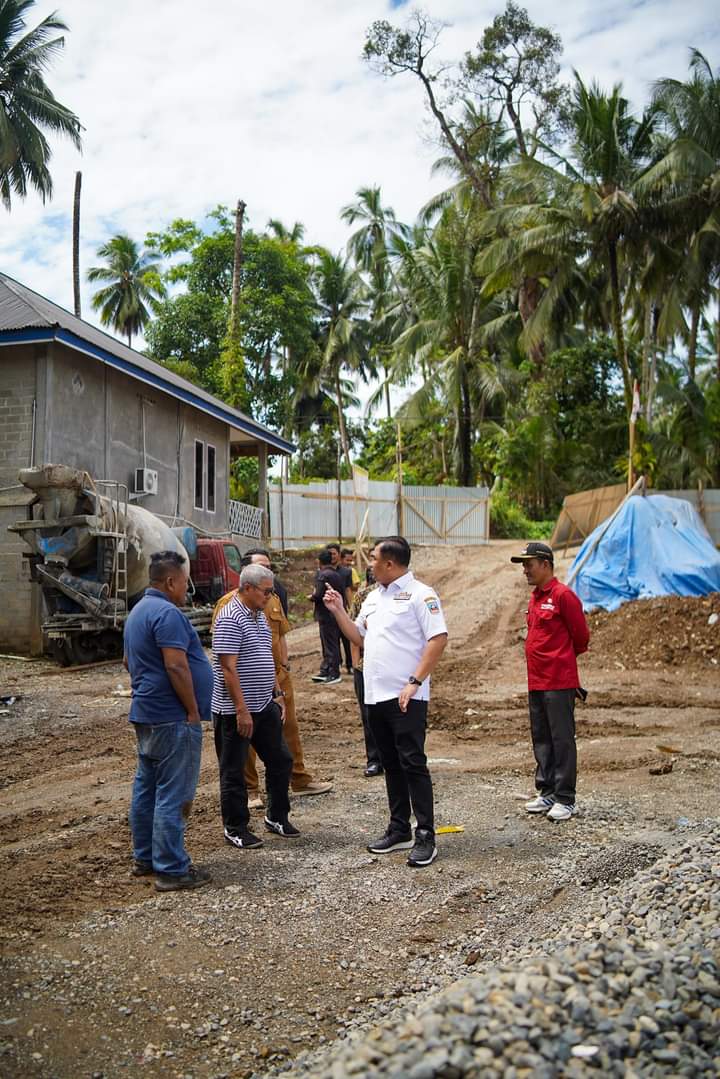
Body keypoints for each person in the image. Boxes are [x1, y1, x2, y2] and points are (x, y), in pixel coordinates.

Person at [324, 536, 448, 868]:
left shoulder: (422, 595)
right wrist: (337, 610)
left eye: (374, 559)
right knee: (391, 764)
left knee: (413, 764)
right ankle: (399, 829)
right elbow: (359, 637)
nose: (369, 565)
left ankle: (425, 834)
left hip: (407, 695)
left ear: (390, 563)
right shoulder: (375, 598)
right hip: (375, 696)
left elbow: (438, 639)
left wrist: (415, 681)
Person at [213, 549, 333, 805]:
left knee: (287, 732)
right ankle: (251, 790)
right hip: (245, 687)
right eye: (263, 568)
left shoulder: (273, 599)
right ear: (247, 583)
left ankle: (298, 779)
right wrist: (240, 706)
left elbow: (279, 636)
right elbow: (226, 663)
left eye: (270, 568)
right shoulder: (228, 607)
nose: (271, 576)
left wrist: (284, 669)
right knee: (244, 742)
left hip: (275, 678)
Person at [123, 550, 212, 892]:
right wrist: (191, 710)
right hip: (172, 717)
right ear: (172, 581)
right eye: (185, 583)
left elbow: (128, 663)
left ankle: (145, 857)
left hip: (146, 713)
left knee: (146, 789)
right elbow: (177, 665)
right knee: (173, 793)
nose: (186, 590)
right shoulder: (167, 613)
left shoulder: (137, 613)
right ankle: (171, 868)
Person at [212, 563, 298, 844]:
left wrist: (276, 694)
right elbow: (227, 669)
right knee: (234, 769)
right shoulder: (230, 618)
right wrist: (241, 709)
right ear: (247, 588)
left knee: (281, 760)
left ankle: (276, 816)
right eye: (266, 591)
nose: (270, 597)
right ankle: (235, 828)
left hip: (263, 705)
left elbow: (265, 656)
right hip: (236, 711)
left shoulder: (258, 615)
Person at [511, 541, 590, 821]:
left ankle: (566, 798)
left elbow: (581, 638)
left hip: (559, 681)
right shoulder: (535, 598)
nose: (525, 570)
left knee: (561, 739)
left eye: (528, 564)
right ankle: (547, 791)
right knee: (542, 738)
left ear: (545, 564)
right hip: (537, 681)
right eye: (523, 565)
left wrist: (561, 660)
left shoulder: (563, 596)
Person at [349, 568, 383, 777]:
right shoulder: (364, 596)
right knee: (369, 714)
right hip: (365, 665)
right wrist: (356, 664)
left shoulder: (409, 594)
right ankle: (374, 759)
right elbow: (355, 629)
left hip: (393, 665)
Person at [310, 548, 344, 685]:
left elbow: (318, 595)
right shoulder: (336, 574)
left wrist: (311, 597)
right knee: (332, 643)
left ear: (319, 561)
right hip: (335, 613)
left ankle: (333, 672)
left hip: (325, 614)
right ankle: (326, 670)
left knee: (329, 645)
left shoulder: (323, 575)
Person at [327, 543, 354, 674]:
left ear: (339, 554)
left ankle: (350, 664)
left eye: (334, 553)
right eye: (329, 553)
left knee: (347, 638)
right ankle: (335, 665)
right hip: (328, 612)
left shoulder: (346, 572)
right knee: (332, 641)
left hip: (342, 610)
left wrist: (351, 608)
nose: (331, 556)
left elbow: (348, 590)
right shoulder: (323, 571)